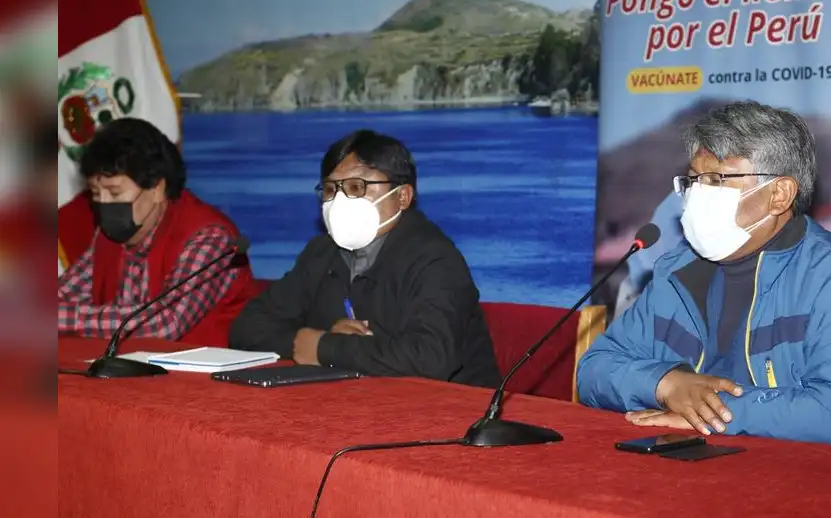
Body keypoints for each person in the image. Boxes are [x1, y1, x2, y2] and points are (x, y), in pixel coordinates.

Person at [576, 101, 831, 450]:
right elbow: (594, 370)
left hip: (820, 482)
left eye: (716, 179)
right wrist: (666, 385)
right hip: (697, 473)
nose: (697, 194)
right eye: (694, 180)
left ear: (779, 195)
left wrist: (710, 413)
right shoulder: (677, 271)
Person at [229, 130, 500, 387]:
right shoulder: (322, 253)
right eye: (330, 190)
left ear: (402, 197)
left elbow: (430, 357)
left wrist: (326, 348)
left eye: (357, 187)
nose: (340, 201)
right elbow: (248, 326)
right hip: (363, 406)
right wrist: (303, 341)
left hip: (454, 418)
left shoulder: (435, 258)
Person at [57, 117, 254, 340]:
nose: (103, 204)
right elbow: (63, 294)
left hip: (203, 373)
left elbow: (165, 323)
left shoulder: (210, 238)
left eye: (114, 193)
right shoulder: (109, 234)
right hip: (129, 370)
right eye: (95, 194)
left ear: (156, 189)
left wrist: (62, 318)